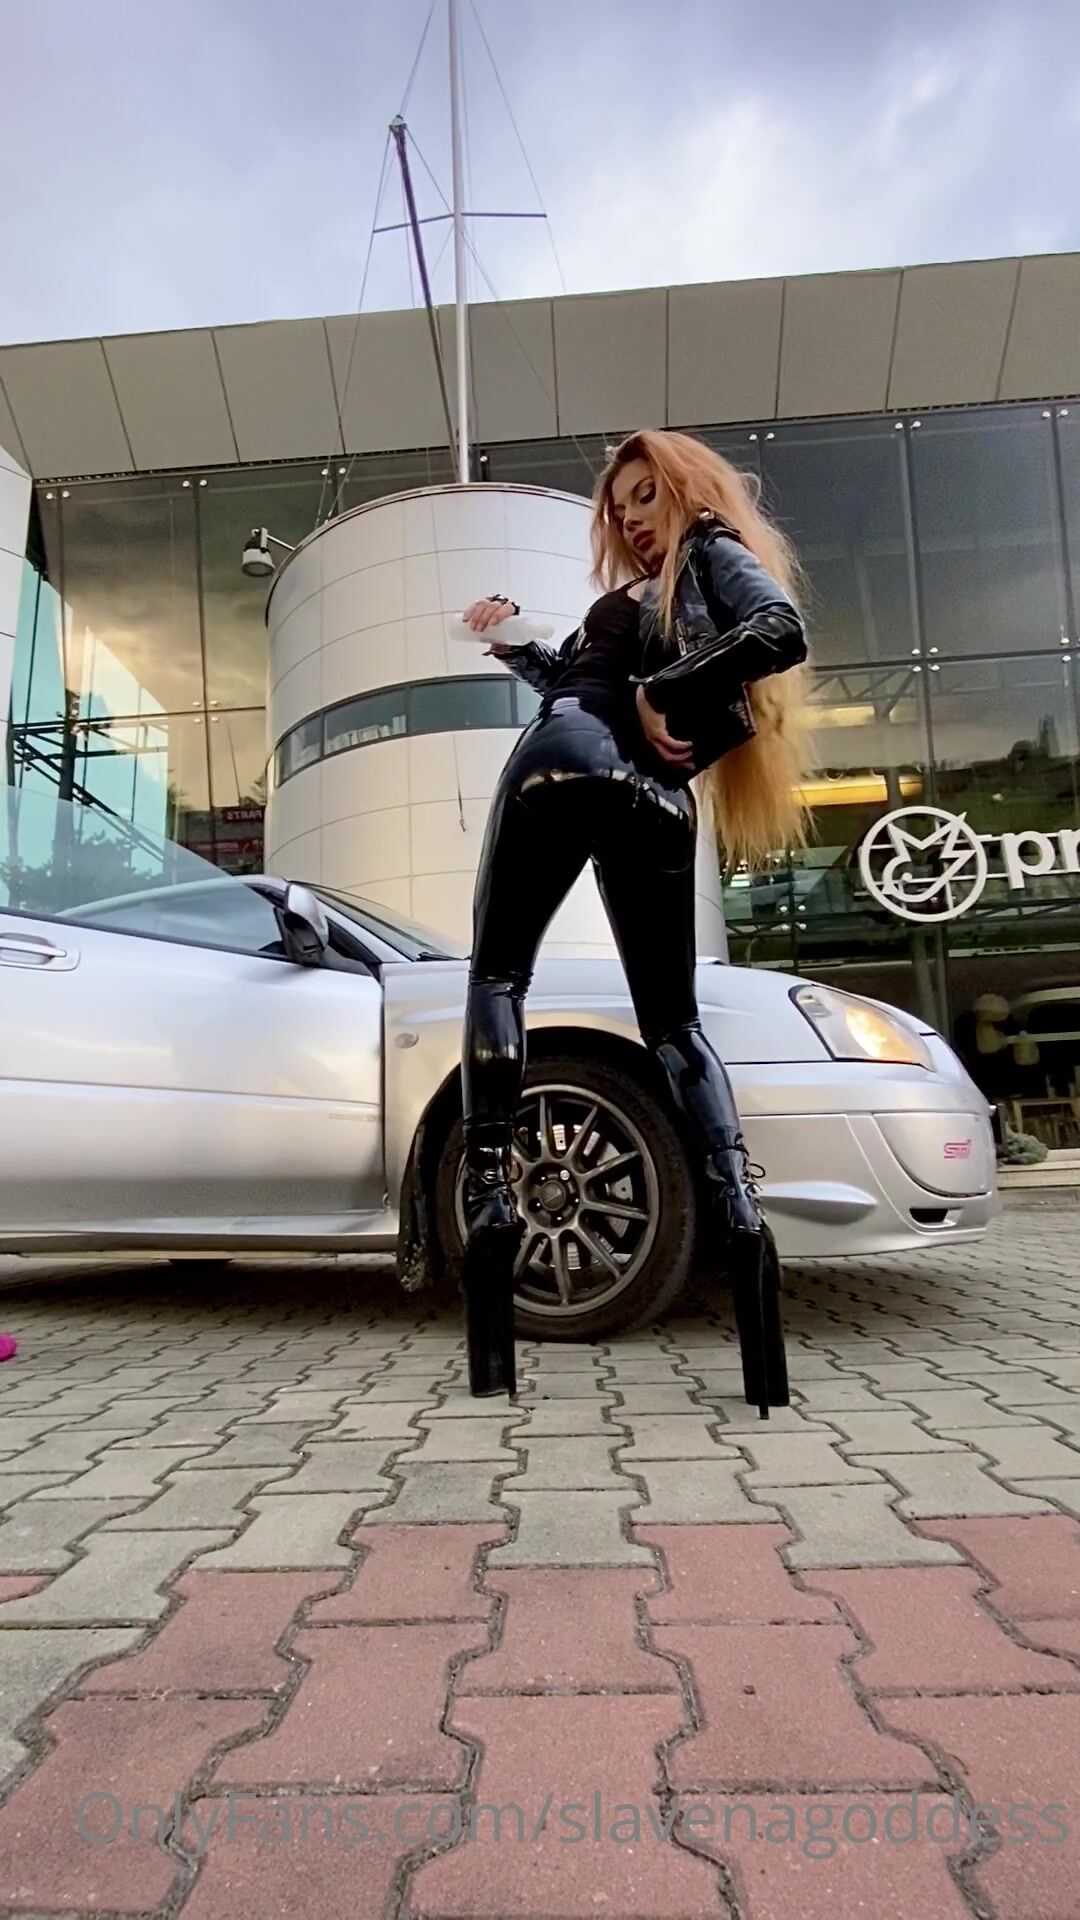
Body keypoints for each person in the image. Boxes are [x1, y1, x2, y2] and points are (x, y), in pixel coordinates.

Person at [457, 428, 813, 1411]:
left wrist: (659, 687)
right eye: (621, 509)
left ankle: (490, 1197)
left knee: (497, 978)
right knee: (674, 1025)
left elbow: (780, 629)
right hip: (653, 800)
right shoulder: (652, 600)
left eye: (646, 496)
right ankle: (737, 1209)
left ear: (690, 490)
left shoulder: (710, 551)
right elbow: (581, 674)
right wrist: (513, 644)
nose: (634, 520)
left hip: (563, 758)